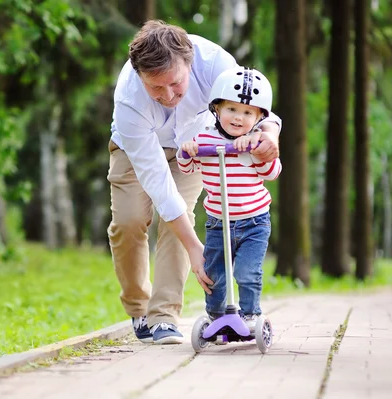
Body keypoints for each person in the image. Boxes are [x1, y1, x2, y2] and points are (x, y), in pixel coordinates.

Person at [107, 20, 282, 345]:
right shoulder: (129, 98)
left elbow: (256, 107)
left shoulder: (217, 64)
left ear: (189, 63)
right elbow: (156, 180)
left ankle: (164, 317)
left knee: (180, 219)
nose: (168, 95)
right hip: (136, 151)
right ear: (140, 76)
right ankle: (137, 306)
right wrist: (195, 247)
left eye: (175, 83)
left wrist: (269, 135)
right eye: (155, 88)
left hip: (196, 149)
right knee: (129, 222)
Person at [177, 66, 282, 331]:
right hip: (218, 222)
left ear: (258, 117)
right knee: (215, 274)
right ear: (217, 110)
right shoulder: (204, 139)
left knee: (247, 272)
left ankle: (250, 315)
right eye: (231, 109)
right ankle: (216, 316)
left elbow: (272, 172)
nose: (238, 118)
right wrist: (188, 152)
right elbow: (187, 168)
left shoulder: (256, 142)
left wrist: (259, 153)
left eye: (247, 113)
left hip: (254, 222)